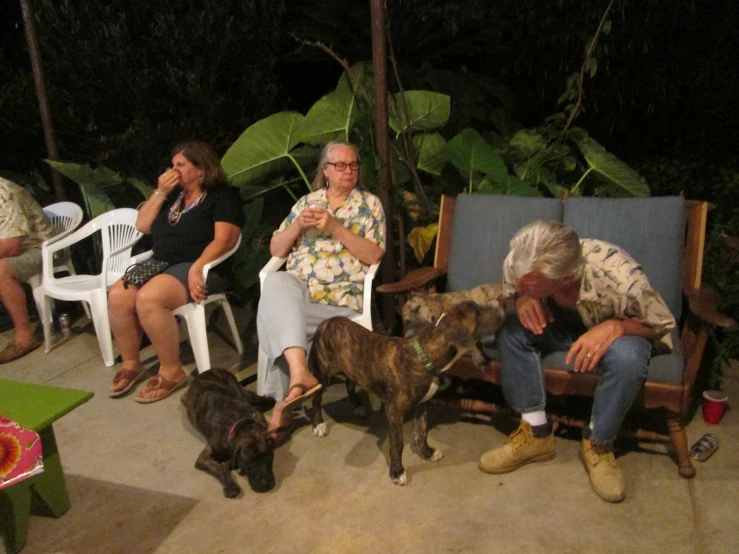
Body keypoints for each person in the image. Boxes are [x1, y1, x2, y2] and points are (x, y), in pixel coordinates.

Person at [477, 220, 675, 503]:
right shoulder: (521, 259)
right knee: (509, 329)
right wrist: (520, 299)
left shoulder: (621, 277)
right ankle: (536, 434)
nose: (519, 281)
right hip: (557, 324)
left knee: (630, 357)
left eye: (529, 282)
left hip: (612, 333)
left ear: (567, 277)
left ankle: (599, 444)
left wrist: (617, 327)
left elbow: (662, 323)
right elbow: (513, 289)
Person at [257, 140, 386, 431]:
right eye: (340, 165)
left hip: (337, 298)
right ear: (326, 170)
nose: (348, 170)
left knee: (276, 319)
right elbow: (276, 249)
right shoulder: (306, 202)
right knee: (276, 284)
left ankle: (282, 404)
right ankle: (301, 373)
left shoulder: (369, 205)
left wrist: (334, 228)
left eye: (353, 164)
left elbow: (374, 254)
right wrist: (296, 227)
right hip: (298, 289)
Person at [107, 141, 243, 402]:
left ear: (200, 169)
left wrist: (197, 267)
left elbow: (224, 239)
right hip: (161, 262)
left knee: (149, 298)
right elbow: (143, 225)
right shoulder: (172, 196)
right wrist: (159, 192)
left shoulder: (222, 196)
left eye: (180, 165)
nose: (173, 169)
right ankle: (131, 365)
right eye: (173, 164)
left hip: (201, 266)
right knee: (118, 296)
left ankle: (172, 370)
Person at [0, 177, 56, 363]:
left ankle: (25, 337)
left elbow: (11, 247)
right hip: (13, 249)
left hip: (41, 248)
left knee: (0, 270)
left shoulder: (5, 193)